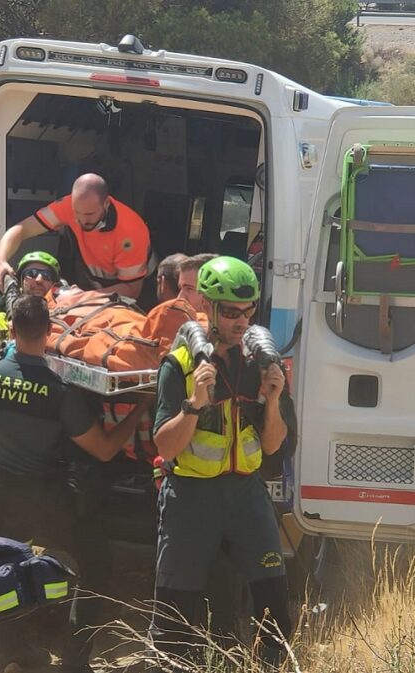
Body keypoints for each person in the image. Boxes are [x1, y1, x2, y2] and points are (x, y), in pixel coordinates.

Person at [0, 295, 150, 673]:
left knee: (1, 567)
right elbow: (102, 450)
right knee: (95, 563)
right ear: (50, 332)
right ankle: (75, 659)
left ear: (11, 329)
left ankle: (6, 651)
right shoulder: (58, 391)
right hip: (44, 499)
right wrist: (137, 412)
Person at [149, 257, 293, 666]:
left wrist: (274, 401)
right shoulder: (179, 364)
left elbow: (270, 447)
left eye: (248, 312)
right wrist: (194, 405)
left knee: (276, 612)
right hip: (191, 498)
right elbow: (166, 446)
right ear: (208, 308)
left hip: (246, 495)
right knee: (174, 618)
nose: (241, 322)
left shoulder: (259, 364)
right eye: (230, 312)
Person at [0, 173, 155, 299]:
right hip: (95, 284)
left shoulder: (131, 230)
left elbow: (132, 290)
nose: (82, 220)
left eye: (90, 214)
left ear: (106, 203)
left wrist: (82, 298)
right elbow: (20, 230)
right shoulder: (68, 206)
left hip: (138, 288)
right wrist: (0, 260)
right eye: (77, 212)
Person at [0, 250, 61, 355]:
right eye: (32, 273)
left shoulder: (61, 322)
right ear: (20, 280)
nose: (39, 279)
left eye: (47, 275)